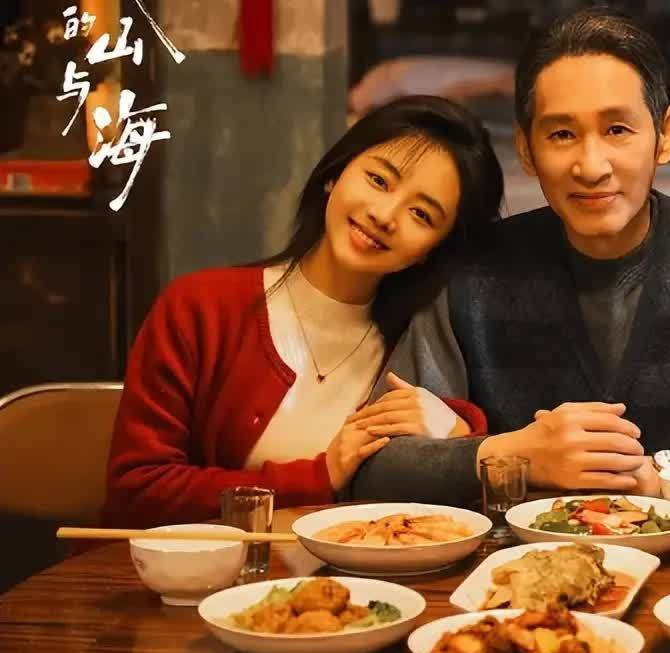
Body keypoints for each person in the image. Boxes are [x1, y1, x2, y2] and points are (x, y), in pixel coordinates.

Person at [351, 7, 670, 506]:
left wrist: (668, 474)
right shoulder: (472, 270)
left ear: (666, 135)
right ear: (526, 149)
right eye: (561, 134)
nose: (591, 167)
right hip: (517, 559)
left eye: (617, 130)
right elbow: (376, 463)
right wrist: (515, 454)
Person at [103, 96, 505, 527]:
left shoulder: (417, 348)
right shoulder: (200, 307)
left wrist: (458, 433)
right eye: (378, 180)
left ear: (434, 250)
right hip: (195, 568)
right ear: (335, 174)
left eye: (421, 214)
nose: (385, 215)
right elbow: (138, 490)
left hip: (349, 571)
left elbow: (455, 506)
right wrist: (318, 476)